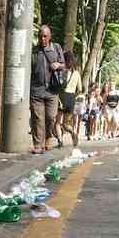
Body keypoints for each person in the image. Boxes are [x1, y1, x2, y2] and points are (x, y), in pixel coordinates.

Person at [29, 25, 65, 154]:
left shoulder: (56, 48)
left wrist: (59, 65)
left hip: (52, 90)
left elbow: (64, 65)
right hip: (36, 90)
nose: (42, 39)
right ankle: (38, 145)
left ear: (49, 37)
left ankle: (48, 138)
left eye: (45, 36)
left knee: (51, 118)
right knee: (37, 118)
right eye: (40, 36)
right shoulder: (33, 51)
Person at [58, 51, 82, 146]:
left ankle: (60, 141)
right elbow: (80, 89)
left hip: (62, 96)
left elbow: (60, 84)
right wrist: (74, 96)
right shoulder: (77, 73)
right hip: (72, 98)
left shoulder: (63, 71)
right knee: (66, 123)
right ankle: (73, 132)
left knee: (57, 121)